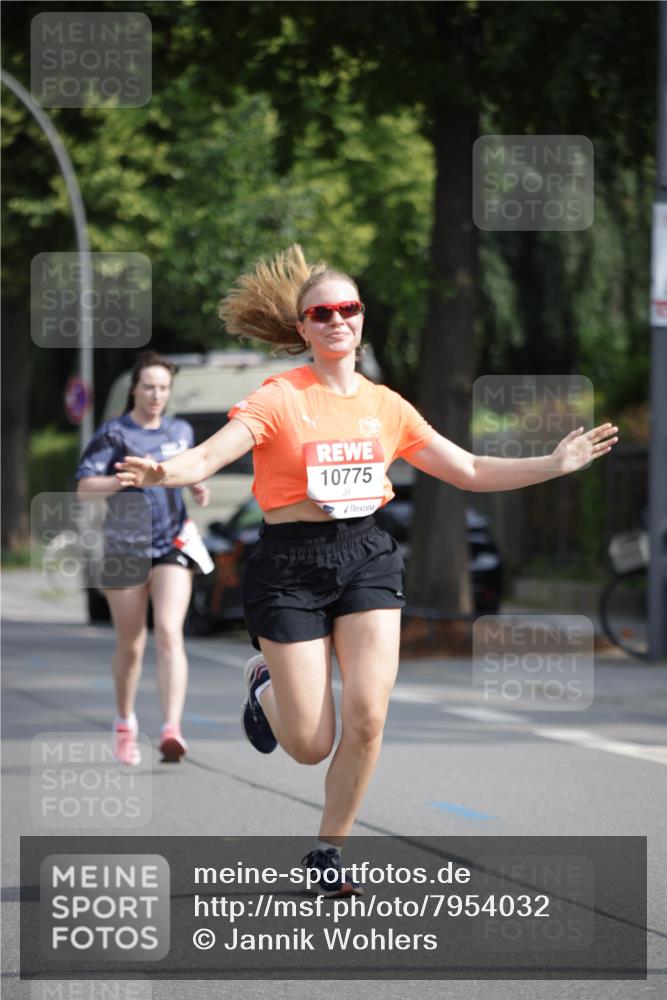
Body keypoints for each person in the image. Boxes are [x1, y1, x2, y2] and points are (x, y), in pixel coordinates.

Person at [116, 246, 618, 894]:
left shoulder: (387, 405)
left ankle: (328, 851)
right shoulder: (278, 397)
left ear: (360, 319)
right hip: (289, 564)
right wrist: (163, 472)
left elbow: (468, 469)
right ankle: (264, 685)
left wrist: (550, 464)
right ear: (303, 328)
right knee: (309, 744)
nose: (336, 320)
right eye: (320, 313)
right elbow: (208, 457)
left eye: (346, 309)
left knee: (368, 716)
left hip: (366, 558)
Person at [76, 350, 211, 767]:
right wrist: (124, 480)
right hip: (125, 547)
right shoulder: (114, 433)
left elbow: (190, 470)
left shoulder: (180, 430)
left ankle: (172, 729)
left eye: (164, 388)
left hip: (172, 541)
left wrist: (197, 486)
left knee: (170, 632)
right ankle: (124, 723)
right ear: (135, 388)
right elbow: (84, 487)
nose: (156, 395)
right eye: (149, 387)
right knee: (131, 646)